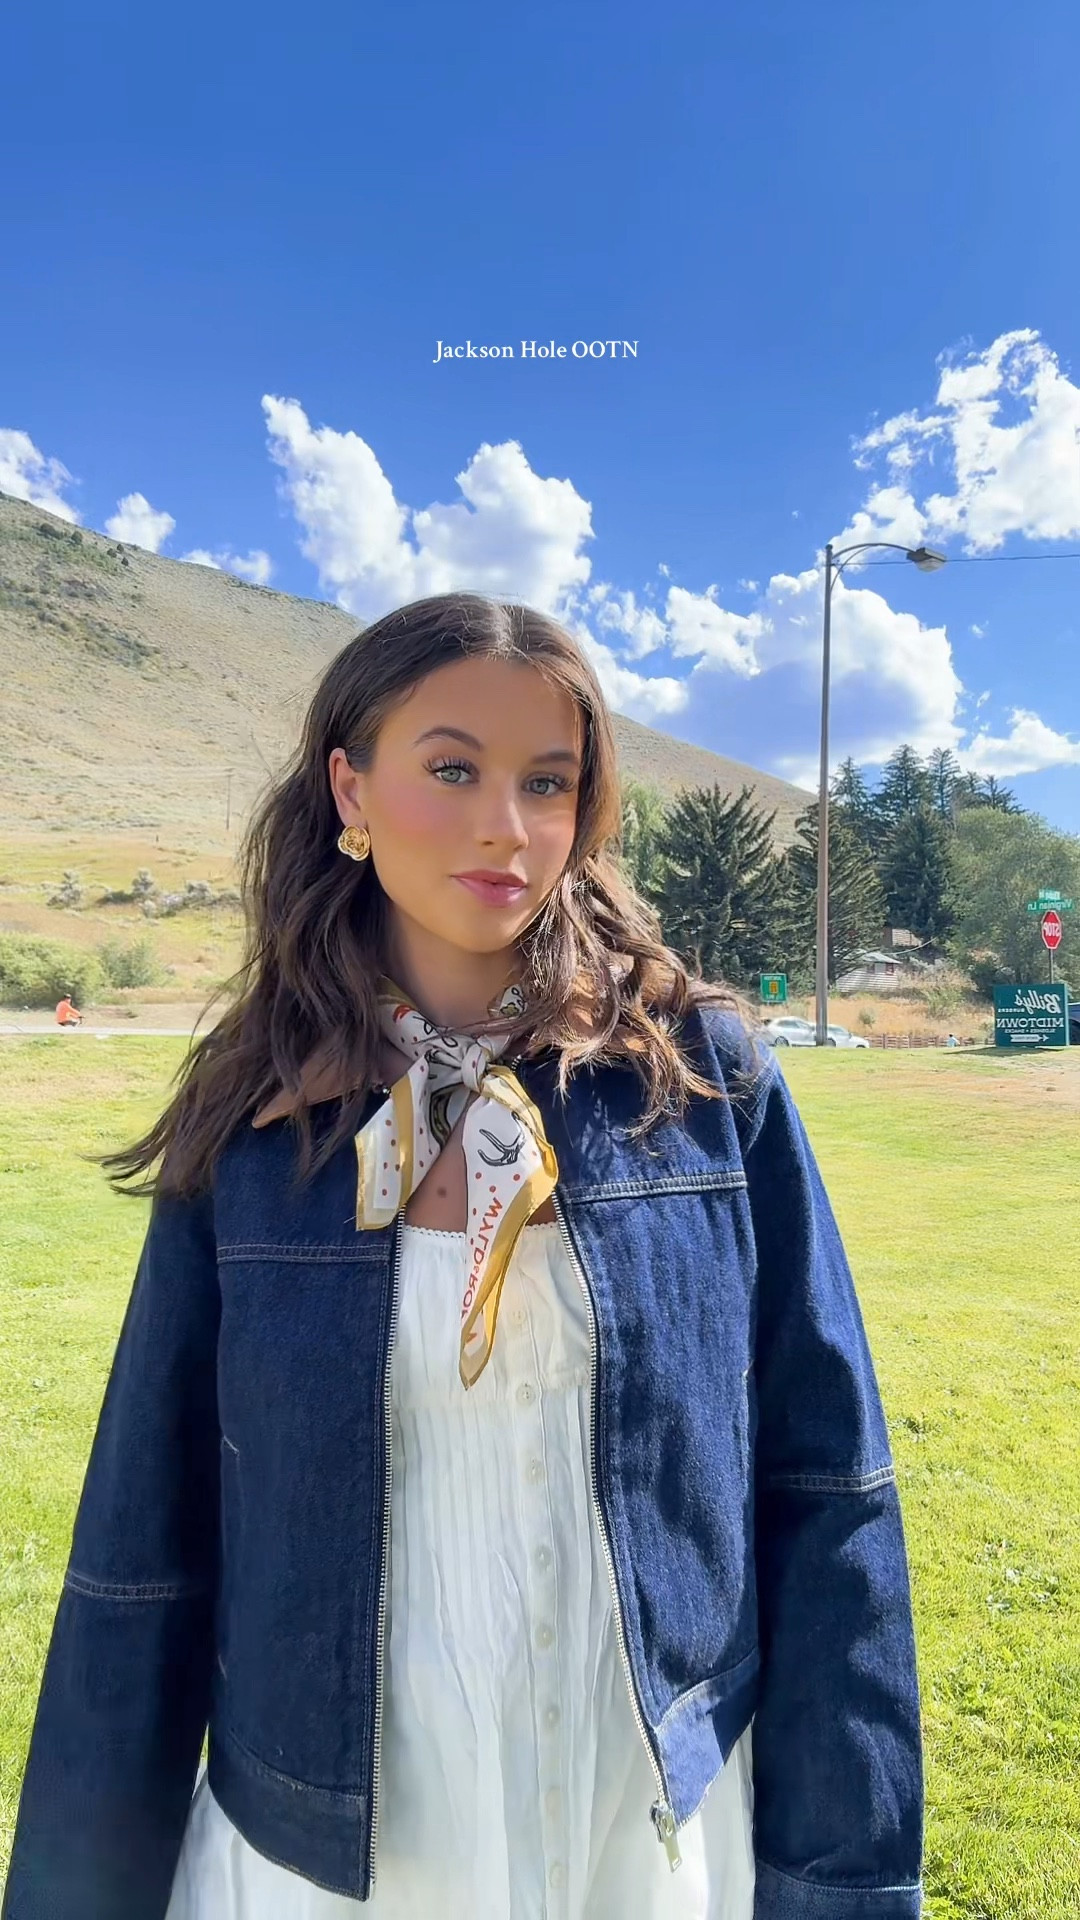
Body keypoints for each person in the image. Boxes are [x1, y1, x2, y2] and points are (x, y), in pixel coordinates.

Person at [3, 594, 925, 1920]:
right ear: (350, 789)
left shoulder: (708, 1087)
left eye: (547, 782)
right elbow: (144, 1549)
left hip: (643, 1835)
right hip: (333, 1859)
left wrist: (846, 1881)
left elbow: (825, 1490)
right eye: (453, 770)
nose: (509, 826)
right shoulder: (255, 1122)